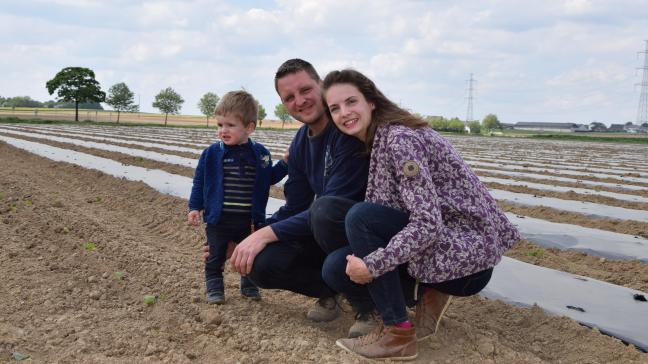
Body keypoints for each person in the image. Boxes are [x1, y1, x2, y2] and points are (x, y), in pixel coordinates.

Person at [311, 69, 521, 361]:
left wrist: (372, 265)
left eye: (351, 102)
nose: (344, 113)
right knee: (336, 268)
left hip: (465, 258)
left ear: (370, 101)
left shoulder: (399, 140)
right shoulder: (378, 138)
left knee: (360, 217)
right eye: (335, 108)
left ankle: (398, 332)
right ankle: (423, 294)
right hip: (441, 246)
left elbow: (427, 222)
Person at [224, 60, 374, 331]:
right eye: (289, 97)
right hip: (329, 232)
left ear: (322, 86)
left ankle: (369, 306)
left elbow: (333, 208)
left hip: (370, 238)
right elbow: (295, 207)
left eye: (306, 90)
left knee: (324, 212)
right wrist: (247, 238)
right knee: (262, 264)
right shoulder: (301, 142)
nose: (300, 101)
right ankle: (330, 292)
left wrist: (263, 235)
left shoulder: (347, 132)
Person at [188, 90, 288, 304]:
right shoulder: (211, 153)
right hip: (219, 219)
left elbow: (268, 178)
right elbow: (200, 182)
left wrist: (286, 164)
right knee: (215, 255)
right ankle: (215, 287)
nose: (223, 130)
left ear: (249, 127)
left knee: (249, 254)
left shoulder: (260, 153)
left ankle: (249, 285)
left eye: (230, 125)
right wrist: (194, 207)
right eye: (220, 125)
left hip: (249, 220)